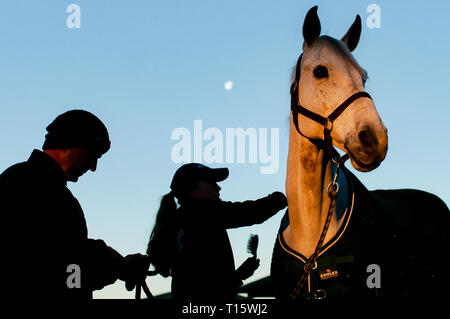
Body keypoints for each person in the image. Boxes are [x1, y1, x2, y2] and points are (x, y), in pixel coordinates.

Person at [0, 110, 149, 300]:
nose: (93, 166)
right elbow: (61, 265)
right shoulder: (36, 187)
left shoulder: (23, 180)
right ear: (67, 144)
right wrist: (116, 265)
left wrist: (117, 263)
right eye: (93, 155)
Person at [146, 163, 287, 300]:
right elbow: (250, 212)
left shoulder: (179, 220)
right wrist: (282, 198)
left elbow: (203, 281)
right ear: (191, 189)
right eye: (211, 182)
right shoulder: (204, 212)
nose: (218, 187)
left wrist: (238, 276)